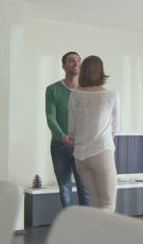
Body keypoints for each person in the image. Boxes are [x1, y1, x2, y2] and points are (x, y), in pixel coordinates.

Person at [68, 55, 120, 212]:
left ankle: (95, 236)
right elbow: (116, 128)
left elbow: (72, 130)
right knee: (108, 205)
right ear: (101, 72)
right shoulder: (111, 96)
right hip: (101, 153)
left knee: (97, 205)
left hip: (80, 157)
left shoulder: (74, 95)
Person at [45, 51, 91, 207]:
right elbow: (50, 117)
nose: (76, 63)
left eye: (79, 60)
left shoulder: (87, 91)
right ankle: (70, 225)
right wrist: (62, 136)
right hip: (59, 145)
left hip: (82, 146)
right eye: (71, 60)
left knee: (85, 188)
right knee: (65, 188)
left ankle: (88, 224)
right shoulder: (52, 90)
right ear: (64, 66)